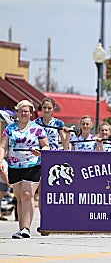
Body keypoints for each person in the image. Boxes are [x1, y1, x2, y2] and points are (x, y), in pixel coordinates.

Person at [0, 100, 50, 238]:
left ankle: (26, 229)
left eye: (27, 111)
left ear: (31, 113)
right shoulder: (9, 129)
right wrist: (0, 160)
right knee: (20, 197)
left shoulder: (38, 129)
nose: (24, 113)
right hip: (14, 166)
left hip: (33, 165)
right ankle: (21, 228)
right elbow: (3, 147)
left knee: (28, 195)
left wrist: (41, 151)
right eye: (21, 111)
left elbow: (46, 146)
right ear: (17, 112)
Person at [34, 97, 71, 234]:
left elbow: (65, 145)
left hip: (54, 160)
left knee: (55, 192)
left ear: (53, 109)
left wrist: (67, 135)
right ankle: (44, 221)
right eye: (44, 108)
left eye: (49, 108)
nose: (47, 110)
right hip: (38, 159)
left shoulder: (59, 123)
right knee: (42, 192)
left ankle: (55, 220)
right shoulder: (36, 123)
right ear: (41, 109)